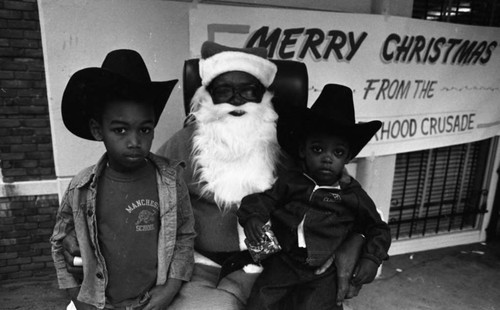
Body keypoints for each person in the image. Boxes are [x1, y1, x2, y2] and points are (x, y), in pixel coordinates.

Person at [61, 42, 372, 309]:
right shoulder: (184, 144)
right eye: (224, 90)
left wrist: (355, 240)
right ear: (207, 97)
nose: (236, 100)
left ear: (264, 97)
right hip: (202, 267)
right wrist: (82, 234)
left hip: (277, 265)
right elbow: (131, 186)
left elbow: (346, 203)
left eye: (249, 91)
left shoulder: (290, 150)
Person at [50, 49, 196, 310]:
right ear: (98, 130)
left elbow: (184, 236)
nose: (134, 141)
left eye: (145, 129)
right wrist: (78, 298)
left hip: (150, 301)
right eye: (120, 130)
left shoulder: (171, 182)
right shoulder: (81, 188)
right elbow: (60, 244)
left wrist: (170, 289)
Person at [237, 84, 392, 310]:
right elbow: (264, 200)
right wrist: (253, 217)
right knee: (260, 302)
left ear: (347, 157)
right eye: (318, 149)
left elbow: (378, 228)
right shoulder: (291, 182)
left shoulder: (352, 195)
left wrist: (371, 258)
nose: (327, 158)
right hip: (284, 261)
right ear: (303, 151)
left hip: (323, 269)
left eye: (337, 152)